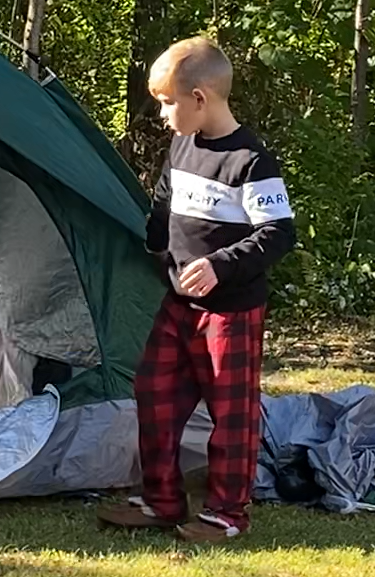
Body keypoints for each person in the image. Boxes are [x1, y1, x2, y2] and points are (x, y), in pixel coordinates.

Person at [98, 37, 295, 543]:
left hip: (230, 312)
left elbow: (278, 233)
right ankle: (162, 501)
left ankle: (226, 515)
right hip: (178, 305)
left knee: (230, 413)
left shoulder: (251, 161)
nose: (163, 114)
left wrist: (219, 265)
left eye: (168, 103)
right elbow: (165, 198)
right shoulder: (182, 143)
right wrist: (156, 244)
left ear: (201, 98)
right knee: (153, 390)